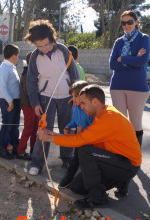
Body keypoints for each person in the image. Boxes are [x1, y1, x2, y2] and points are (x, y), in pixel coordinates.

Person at [37, 85, 141, 209]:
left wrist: (49, 138)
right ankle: (119, 182)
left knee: (85, 150)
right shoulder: (100, 115)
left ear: (95, 101)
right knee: (77, 187)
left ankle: (98, 199)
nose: (81, 106)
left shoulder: (109, 118)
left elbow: (80, 140)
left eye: (83, 103)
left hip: (127, 165)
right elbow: (84, 138)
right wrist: (55, 135)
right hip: (114, 160)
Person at [24, 19, 79, 175]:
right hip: (45, 97)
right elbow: (31, 81)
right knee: (44, 129)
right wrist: (35, 103)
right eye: (39, 46)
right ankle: (37, 163)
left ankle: (68, 158)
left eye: (46, 45)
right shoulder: (35, 57)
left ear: (53, 39)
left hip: (66, 97)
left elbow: (74, 75)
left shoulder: (63, 51)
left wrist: (75, 97)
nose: (44, 49)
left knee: (67, 128)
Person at [109, 10, 150, 147]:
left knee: (135, 123)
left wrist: (123, 59)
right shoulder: (118, 42)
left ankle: (135, 156)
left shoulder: (144, 39)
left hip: (137, 87)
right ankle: (122, 154)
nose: (127, 25)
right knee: (120, 122)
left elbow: (142, 60)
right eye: (123, 23)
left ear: (136, 22)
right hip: (117, 87)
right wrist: (133, 60)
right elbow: (112, 64)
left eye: (130, 22)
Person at [59, 80, 94, 188]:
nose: (73, 99)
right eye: (72, 96)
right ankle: (68, 179)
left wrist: (84, 129)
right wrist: (68, 126)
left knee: (87, 164)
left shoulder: (90, 110)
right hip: (79, 141)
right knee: (74, 161)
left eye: (75, 97)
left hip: (90, 143)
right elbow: (75, 121)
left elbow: (95, 127)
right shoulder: (75, 109)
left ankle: (88, 184)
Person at [0, 44, 20, 160]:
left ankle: (14, 147)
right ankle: (2, 149)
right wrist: (10, 102)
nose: (18, 58)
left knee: (14, 126)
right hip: (8, 101)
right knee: (7, 126)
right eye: (17, 55)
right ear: (13, 55)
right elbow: (2, 87)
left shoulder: (12, 66)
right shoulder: (4, 68)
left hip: (15, 100)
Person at [17, 51, 38, 160]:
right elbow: (28, 92)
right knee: (28, 128)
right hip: (28, 105)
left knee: (35, 129)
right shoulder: (27, 73)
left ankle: (34, 149)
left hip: (35, 105)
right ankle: (20, 150)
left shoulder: (34, 72)